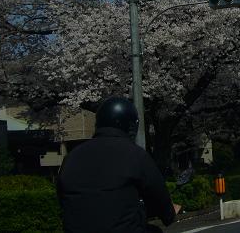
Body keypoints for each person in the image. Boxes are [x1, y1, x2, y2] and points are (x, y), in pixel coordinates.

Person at [57, 97, 179, 233]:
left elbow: (63, 198)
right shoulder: (135, 155)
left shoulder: (71, 157)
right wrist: (168, 214)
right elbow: (158, 194)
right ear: (131, 126)